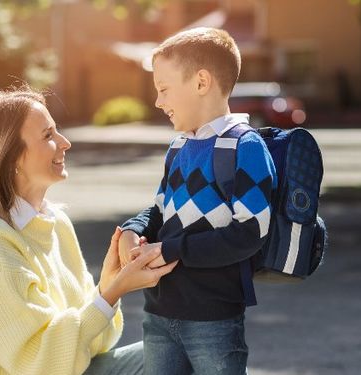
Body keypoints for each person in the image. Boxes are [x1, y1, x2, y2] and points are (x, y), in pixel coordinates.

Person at [0, 87, 177, 375]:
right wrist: (112, 292)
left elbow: (96, 345)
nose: (65, 142)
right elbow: (42, 366)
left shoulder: (55, 223)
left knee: (181, 353)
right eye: (48, 135)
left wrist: (108, 286)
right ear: (11, 157)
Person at [118, 28, 277, 375]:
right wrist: (134, 228)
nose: (158, 102)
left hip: (213, 319)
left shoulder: (245, 147)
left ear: (201, 82)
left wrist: (171, 249)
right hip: (158, 312)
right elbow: (160, 209)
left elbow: (249, 233)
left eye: (163, 89)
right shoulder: (178, 147)